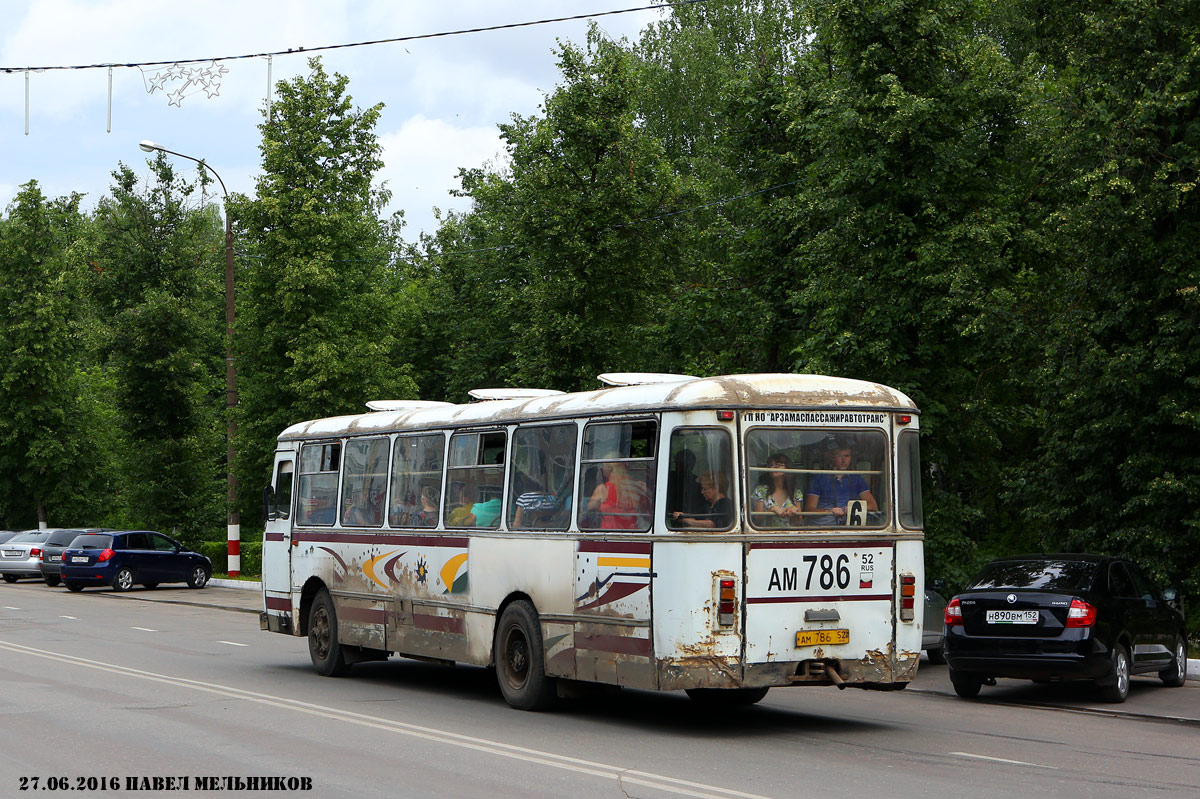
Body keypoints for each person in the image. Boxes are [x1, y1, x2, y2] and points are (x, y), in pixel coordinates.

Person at [803, 441, 877, 524]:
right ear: (831, 457)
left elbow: (873, 506)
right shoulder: (819, 479)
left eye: (847, 456)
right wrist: (829, 511)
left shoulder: (856, 478)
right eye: (839, 456)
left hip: (849, 527)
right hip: (824, 527)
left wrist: (853, 508)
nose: (843, 460)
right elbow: (809, 510)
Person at [587, 462, 645, 530]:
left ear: (610, 469)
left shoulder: (603, 489)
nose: (602, 469)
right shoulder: (639, 485)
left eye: (604, 466)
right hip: (633, 535)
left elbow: (589, 508)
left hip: (609, 535)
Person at [751, 453, 803, 526]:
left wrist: (795, 512)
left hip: (789, 535)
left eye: (777, 465)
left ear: (787, 468)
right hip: (766, 534)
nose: (773, 468)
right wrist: (771, 510)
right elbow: (757, 520)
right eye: (770, 465)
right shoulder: (760, 490)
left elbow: (798, 523)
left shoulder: (796, 492)